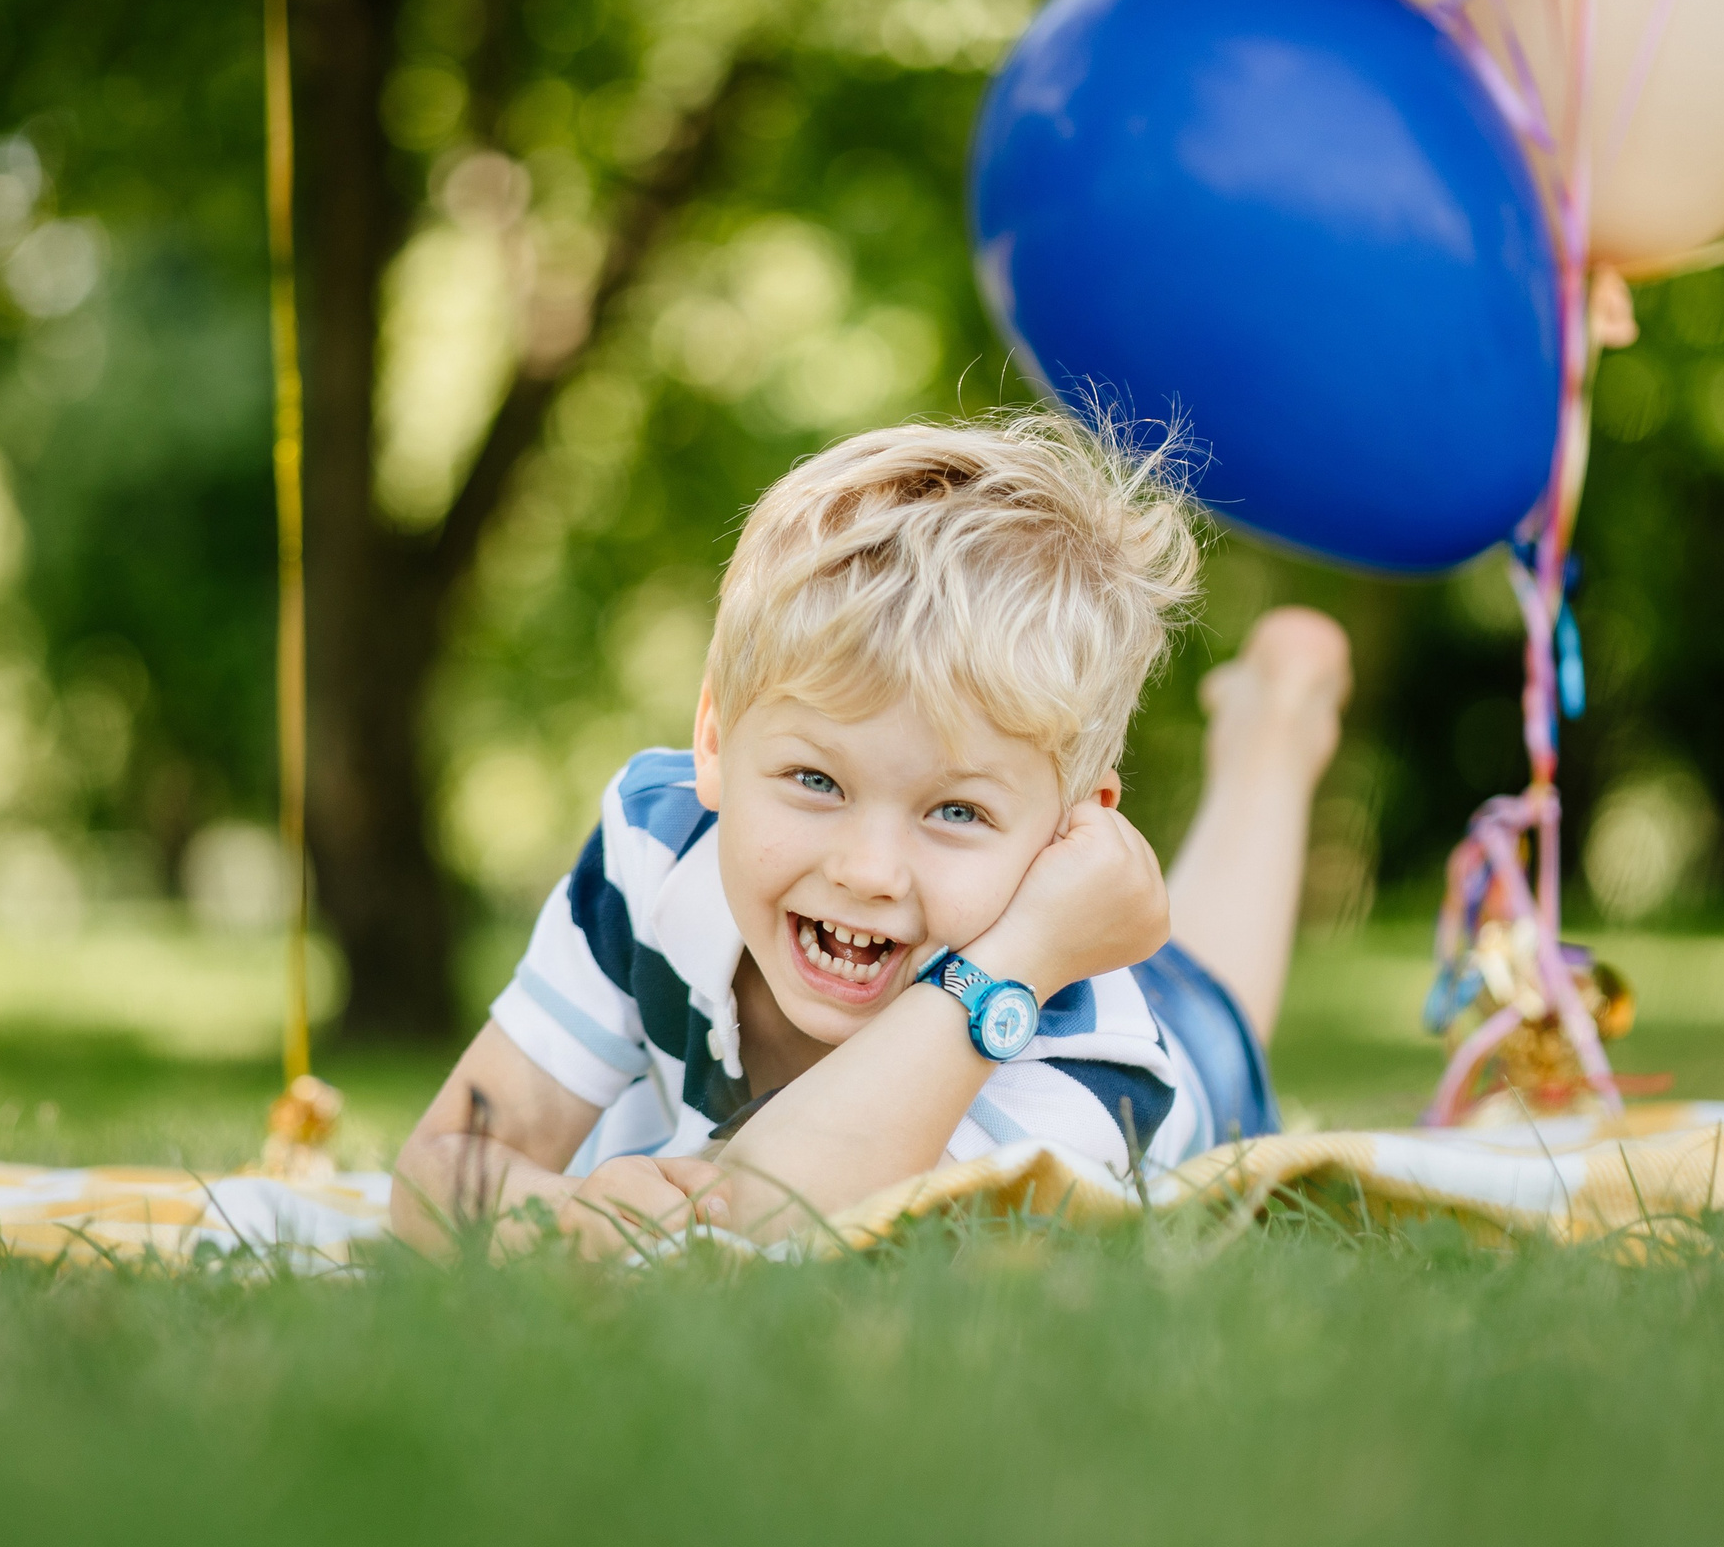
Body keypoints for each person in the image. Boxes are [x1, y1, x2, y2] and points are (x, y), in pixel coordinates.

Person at [391, 415, 1351, 1256]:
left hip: (1118, 993)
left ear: (1068, 832)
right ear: (716, 741)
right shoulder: (655, 844)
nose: (868, 870)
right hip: (1001, 929)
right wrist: (561, 1221)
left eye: (956, 811)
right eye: (816, 780)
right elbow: (441, 1172)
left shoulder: (1082, 1043)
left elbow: (773, 1221)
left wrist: (1009, 966)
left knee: (1213, 1002)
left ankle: (1273, 731)